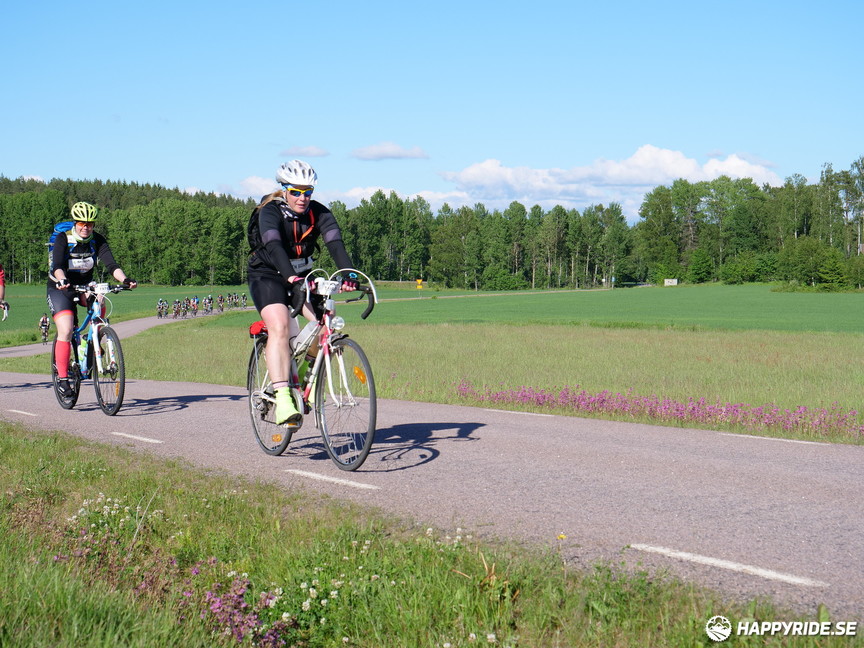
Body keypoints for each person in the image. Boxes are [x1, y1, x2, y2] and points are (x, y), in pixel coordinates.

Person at [247, 160, 358, 425]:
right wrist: (290, 277)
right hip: (268, 274)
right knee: (280, 327)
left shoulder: (319, 213)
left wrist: (349, 274)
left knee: (325, 324)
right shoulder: (269, 212)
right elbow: (273, 245)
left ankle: (306, 378)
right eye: (296, 191)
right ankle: (283, 397)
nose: (302, 197)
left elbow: (335, 243)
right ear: (284, 189)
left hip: (302, 274)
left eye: (307, 191)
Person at [47, 202, 137, 397]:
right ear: (75, 222)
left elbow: (111, 264)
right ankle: (63, 378)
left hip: (85, 286)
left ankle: (92, 338)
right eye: (82, 223)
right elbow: (58, 265)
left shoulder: (97, 240)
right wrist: (62, 279)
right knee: (67, 329)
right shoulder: (64, 238)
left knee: (100, 299)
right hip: (60, 287)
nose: (86, 227)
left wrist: (125, 280)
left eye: (90, 223)